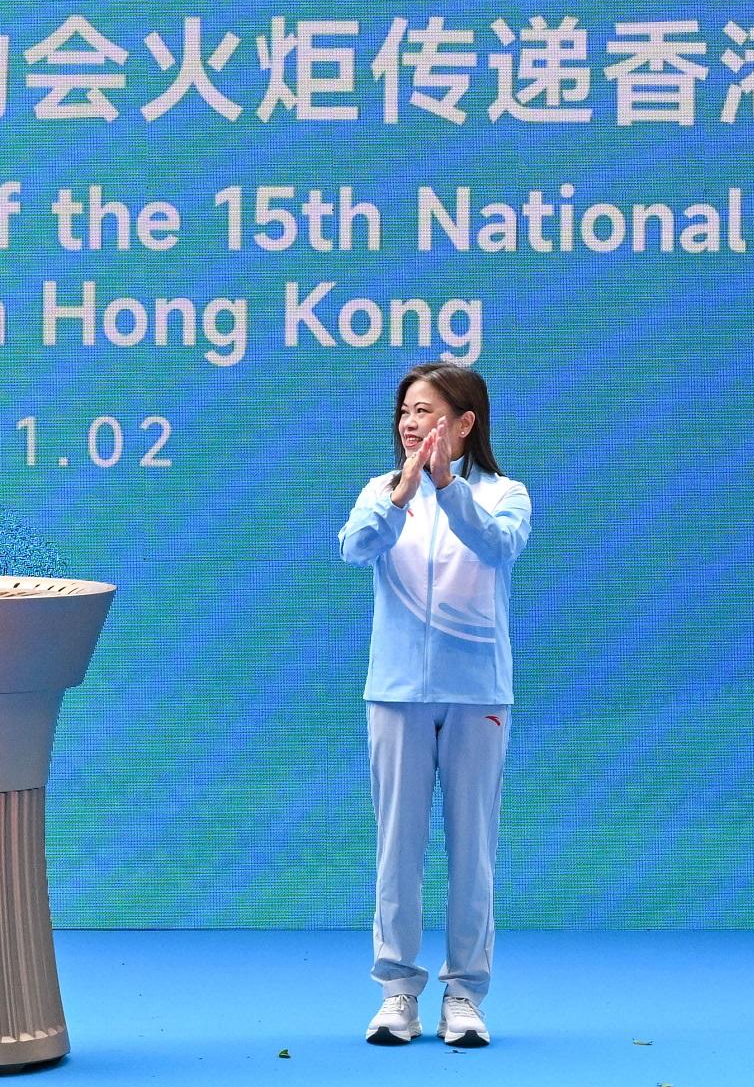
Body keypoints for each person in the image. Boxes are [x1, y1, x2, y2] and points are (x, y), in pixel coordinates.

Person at [335, 361, 531, 1050]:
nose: (411, 423)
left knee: (473, 849)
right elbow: (354, 548)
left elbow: (497, 546)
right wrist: (402, 495)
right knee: (398, 847)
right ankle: (397, 991)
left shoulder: (505, 494)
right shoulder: (381, 491)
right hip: (396, 692)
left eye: (426, 411)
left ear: (465, 422)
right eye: (405, 412)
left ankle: (465, 994)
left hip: (477, 692)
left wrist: (446, 487)